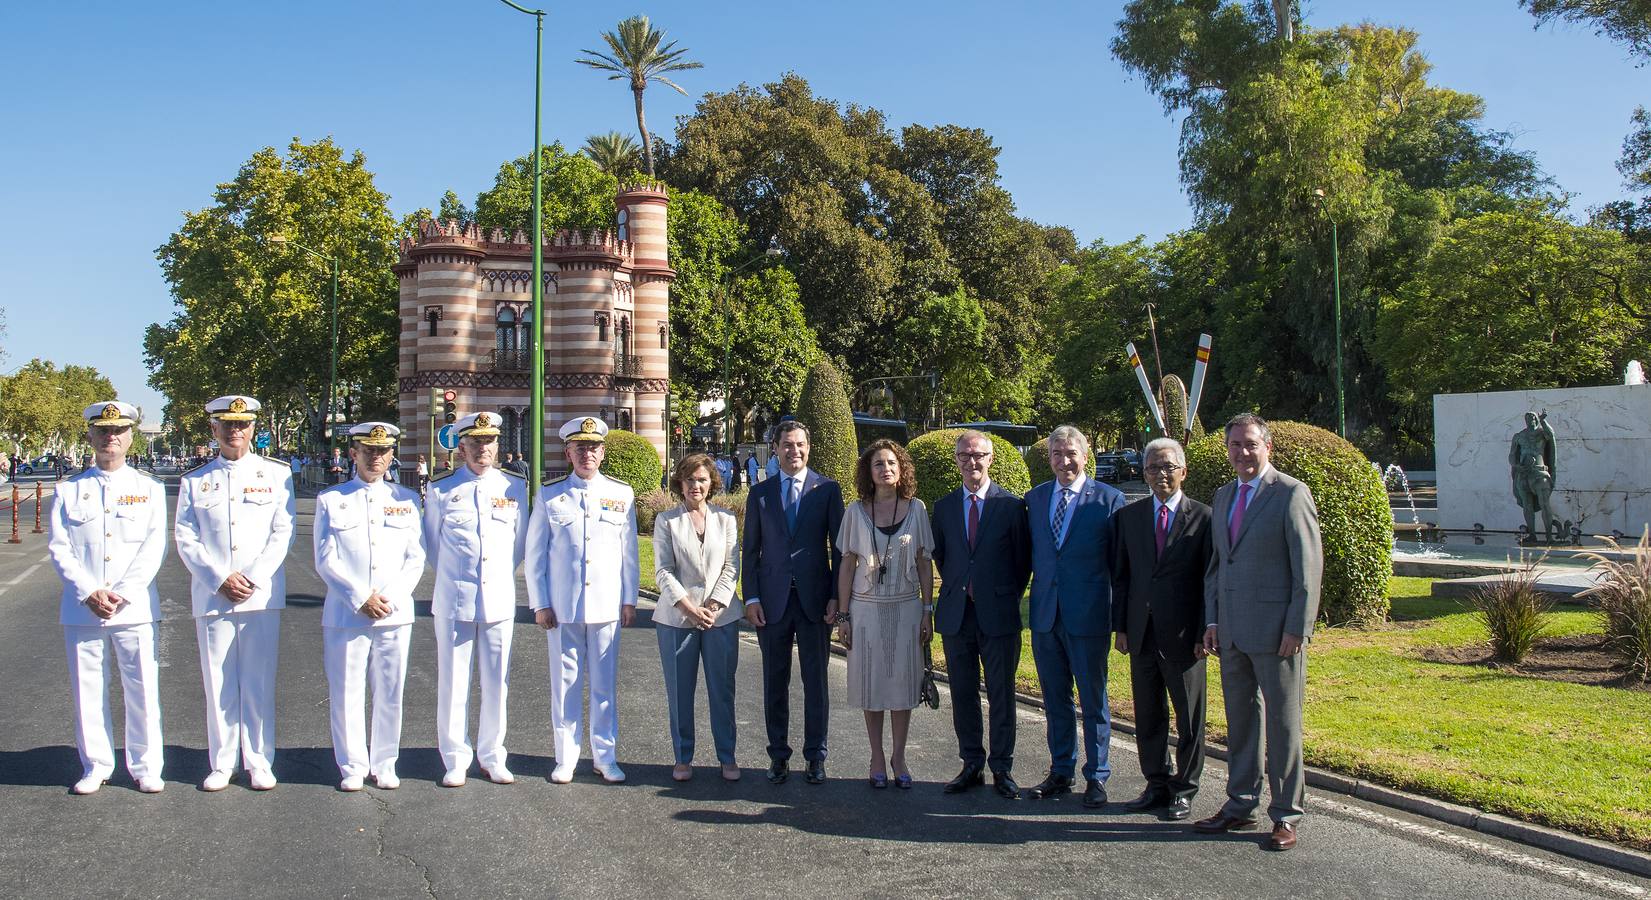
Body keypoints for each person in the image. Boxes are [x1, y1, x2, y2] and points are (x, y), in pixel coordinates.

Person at [1195, 414, 1323, 851]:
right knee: (1242, 724)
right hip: (1230, 632)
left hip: (1276, 634)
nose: (1242, 453)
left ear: (1267, 447)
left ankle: (1286, 814)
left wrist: (1297, 628)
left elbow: (1308, 571)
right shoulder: (1223, 495)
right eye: (1235, 445)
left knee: (1284, 727)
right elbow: (1217, 567)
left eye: (1250, 444)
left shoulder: (1290, 493)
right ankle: (1240, 805)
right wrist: (1212, 621)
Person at [174, 395, 296, 791]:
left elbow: (282, 532)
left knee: (258, 682)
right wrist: (219, 577)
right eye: (227, 424)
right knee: (218, 682)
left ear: (253, 429)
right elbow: (185, 536)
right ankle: (222, 762)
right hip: (213, 596)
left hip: (258, 596)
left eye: (242, 424)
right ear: (214, 429)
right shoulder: (195, 480)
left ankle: (259, 760)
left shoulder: (277, 475)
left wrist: (254, 578)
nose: (235, 431)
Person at [46, 401, 169, 794]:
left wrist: (122, 593)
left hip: (132, 608)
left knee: (142, 689)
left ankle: (146, 765)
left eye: (118, 431)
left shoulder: (148, 489)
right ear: (91, 436)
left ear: (131, 436)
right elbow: (59, 547)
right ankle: (96, 764)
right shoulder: (69, 490)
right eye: (103, 431)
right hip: (83, 608)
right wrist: (88, 591)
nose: (110, 437)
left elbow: (154, 547)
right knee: (87, 688)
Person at [313, 422, 426, 792]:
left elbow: (415, 558)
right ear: (354, 454)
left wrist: (389, 597)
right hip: (347, 613)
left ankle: (385, 761)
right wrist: (360, 596)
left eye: (382, 451)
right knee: (346, 691)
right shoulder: (331, 499)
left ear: (392, 454)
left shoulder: (407, 500)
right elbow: (326, 558)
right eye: (368, 450)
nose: (375, 457)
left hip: (393, 614)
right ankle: (351, 765)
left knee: (390, 692)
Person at [527, 417, 640, 784]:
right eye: (580, 448)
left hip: (606, 603)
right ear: (568, 452)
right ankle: (566, 757)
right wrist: (540, 603)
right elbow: (536, 555)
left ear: (603, 452)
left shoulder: (622, 493)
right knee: (565, 684)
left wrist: (629, 599)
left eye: (592, 448)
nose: (586, 454)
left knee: (605, 686)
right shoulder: (549, 494)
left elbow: (629, 553)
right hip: (563, 606)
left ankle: (605, 755)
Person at [424, 411, 529, 787]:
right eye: (475, 442)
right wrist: (459, 578)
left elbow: (519, 545)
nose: (482, 448)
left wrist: (494, 577)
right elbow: (433, 546)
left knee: (497, 681)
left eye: (488, 442)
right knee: (453, 681)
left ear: (497, 445)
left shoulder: (514, 487)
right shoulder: (441, 489)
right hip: (454, 597)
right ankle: (455, 757)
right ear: (461, 446)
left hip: (499, 596)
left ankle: (492, 754)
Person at [1111, 437, 1213, 821]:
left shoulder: (1204, 517)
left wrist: (1207, 629)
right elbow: (1122, 577)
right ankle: (1156, 782)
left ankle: (1184, 789)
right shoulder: (1129, 518)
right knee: (1148, 715)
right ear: (1144, 472)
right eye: (1153, 467)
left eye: (1169, 467)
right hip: (1140, 633)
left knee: (1189, 718)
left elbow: (1209, 580)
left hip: (1186, 637)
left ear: (1183, 471)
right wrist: (1120, 626)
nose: (1161, 474)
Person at [1023, 425, 1125, 807]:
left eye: (1071, 454)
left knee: (1093, 699)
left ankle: (1097, 776)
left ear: (1085, 456)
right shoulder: (1035, 499)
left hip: (1088, 616)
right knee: (1055, 699)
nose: (1064, 461)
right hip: (1046, 617)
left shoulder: (1109, 500)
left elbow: (1119, 566)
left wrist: (1120, 619)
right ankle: (1061, 770)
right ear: (1048, 458)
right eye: (1056, 454)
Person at [930, 430, 1031, 799]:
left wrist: (1000, 594)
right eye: (965, 456)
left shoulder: (1012, 506)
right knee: (962, 692)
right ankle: (971, 761)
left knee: (1002, 693)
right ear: (956, 461)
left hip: (999, 613)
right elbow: (943, 557)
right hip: (958, 614)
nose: (972, 462)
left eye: (979, 456)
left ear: (991, 459)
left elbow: (1023, 563)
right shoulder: (942, 507)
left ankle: (1002, 767)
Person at [743, 420, 844, 784]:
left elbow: (841, 551)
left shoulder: (828, 490)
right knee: (775, 681)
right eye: (787, 445)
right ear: (775, 448)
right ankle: (778, 755)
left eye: (800, 444)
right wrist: (750, 596)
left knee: (816, 682)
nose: (794, 451)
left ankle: (816, 756)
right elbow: (750, 551)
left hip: (816, 602)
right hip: (771, 602)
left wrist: (837, 597)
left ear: (809, 447)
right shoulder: (761, 493)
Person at [834, 439, 933, 789]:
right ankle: (876, 755)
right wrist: (843, 616)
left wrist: (927, 610)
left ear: (901, 468)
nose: (886, 469)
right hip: (866, 611)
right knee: (871, 686)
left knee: (903, 687)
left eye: (891, 463)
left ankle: (899, 756)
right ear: (869, 472)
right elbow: (846, 565)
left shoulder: (916, 509)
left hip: (906, 608)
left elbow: (924, 563)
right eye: (878, 464)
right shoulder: (854, 511)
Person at [651, 453, 742, 782]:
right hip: (677, 618)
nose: (696, 486)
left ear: (711, 483)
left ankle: (727, 756)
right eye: (690, 480)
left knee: (722, 689)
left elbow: (732, 566)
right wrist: (688, 606)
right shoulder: (667, 521)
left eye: (702, 479)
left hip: (721, 617)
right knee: (679, 690)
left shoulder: (727, 519)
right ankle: (683, 756)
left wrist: (715, 605)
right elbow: (662, 569)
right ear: (680, 482)